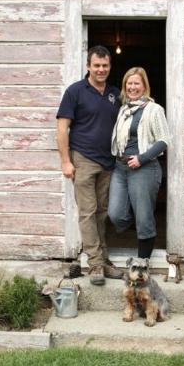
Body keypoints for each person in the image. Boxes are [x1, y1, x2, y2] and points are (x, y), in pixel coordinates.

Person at [57, 45, 124, 285]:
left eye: (105, 65)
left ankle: (103, 260)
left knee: (102, 212)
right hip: (83, 159)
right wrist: (66, 160)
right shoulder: (75, 91)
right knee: (87, 212)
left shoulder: (116, 94)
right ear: (88, 66)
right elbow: (62, 127)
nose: (101, 69)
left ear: (109, 66)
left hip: (108, 161)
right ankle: (95, 264)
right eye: (96, 65)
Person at [108, 67, 170, 259]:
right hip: (120, 168)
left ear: (144, 86)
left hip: (144, 168)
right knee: (115, 214)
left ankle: (143, 263)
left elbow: (164, 140)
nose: (132, 87)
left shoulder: (154, 109)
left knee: (144, 220)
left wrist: (141, 158)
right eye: (129, 83)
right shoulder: (123, 110)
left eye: (136, 83)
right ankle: (140, 217)